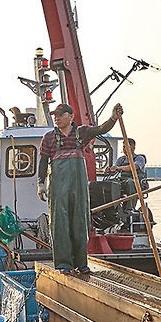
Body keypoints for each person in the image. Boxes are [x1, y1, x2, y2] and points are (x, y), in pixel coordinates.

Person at [36, 102, 122, 274]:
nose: (57, 118)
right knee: (60, 224)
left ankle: (81, 263)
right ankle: (63, 264)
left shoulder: (81, 133)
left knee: (80, 223)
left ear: (71, 117)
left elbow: (101, 129)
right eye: (55, 115)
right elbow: (44, 161)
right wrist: (40, 183)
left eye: (61, 115)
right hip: (58, 188)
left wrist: (113, 117)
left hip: (79, 187)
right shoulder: (48, 137)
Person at [102, 137, 149, 229]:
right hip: (123, 180)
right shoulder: (121, 160)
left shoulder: (140, 158)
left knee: (131, 183)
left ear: (133, 147)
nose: (125, 149)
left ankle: (129, 208)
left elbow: (134, 167)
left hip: (137, 182)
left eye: (127, 146)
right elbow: (115, 171)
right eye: (123, 147)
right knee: (109, 183)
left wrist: (118, 168)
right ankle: (109, 209)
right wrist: (110, 170)